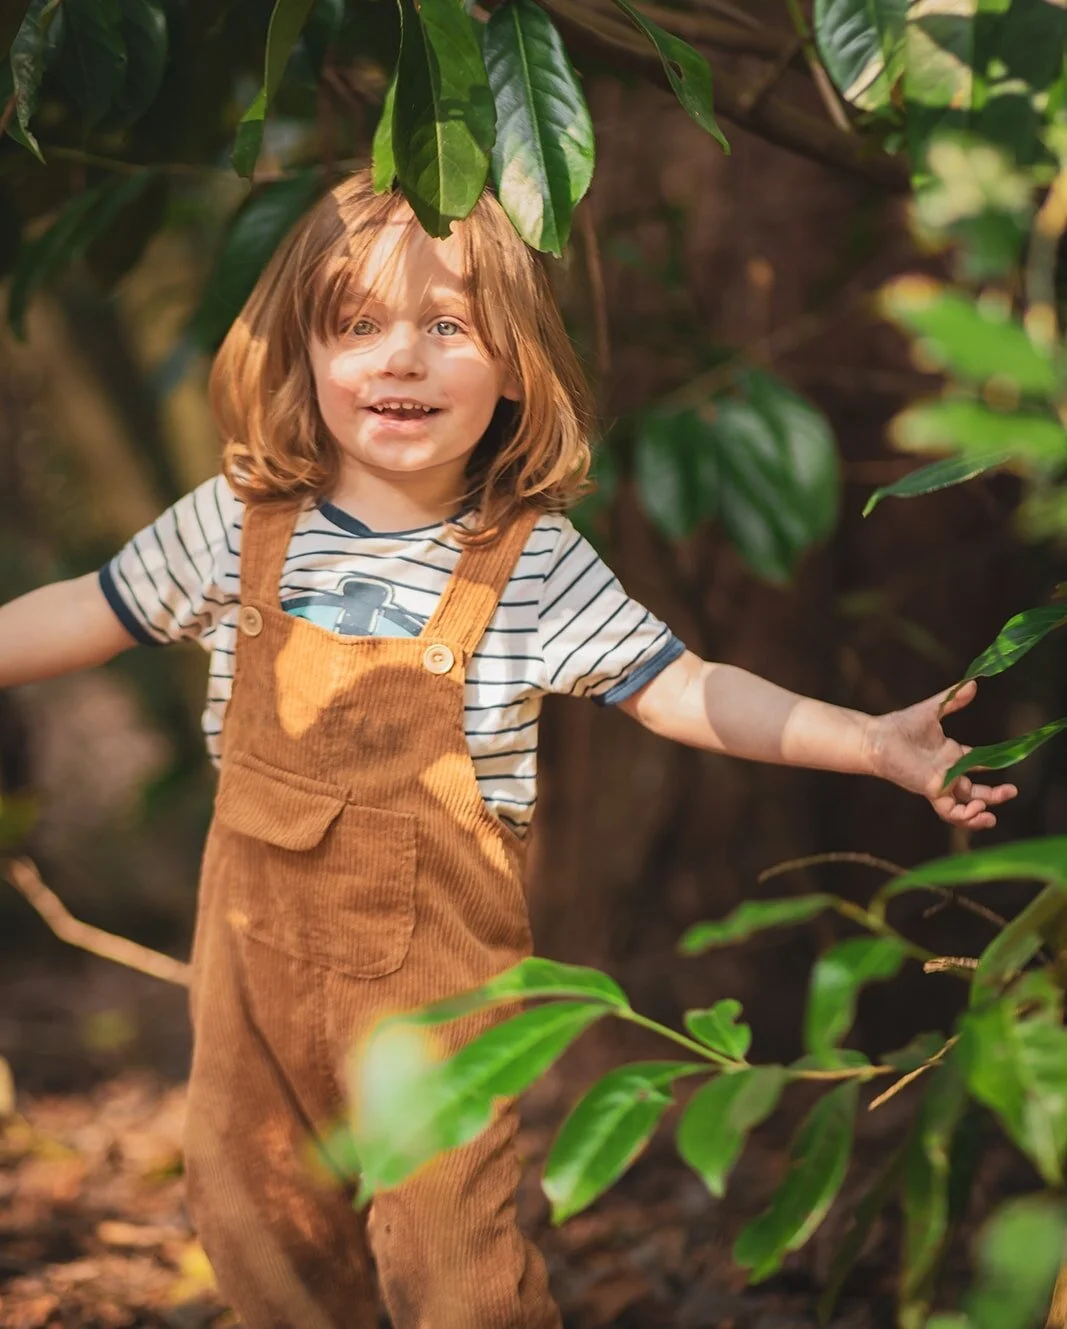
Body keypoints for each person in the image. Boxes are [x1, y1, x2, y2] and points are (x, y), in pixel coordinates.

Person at [0, 171, 1016, 1329]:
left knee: (450, 1251)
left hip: (433, 994)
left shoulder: (527, 559)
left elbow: (682, 687)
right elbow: (91, 607)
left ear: (515, 367)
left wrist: (868, 743)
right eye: (359, 325)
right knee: (251, 1214)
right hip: (250, 968)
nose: (399, 360)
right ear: (306, 351)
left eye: (445, 327)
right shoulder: (240, 520)